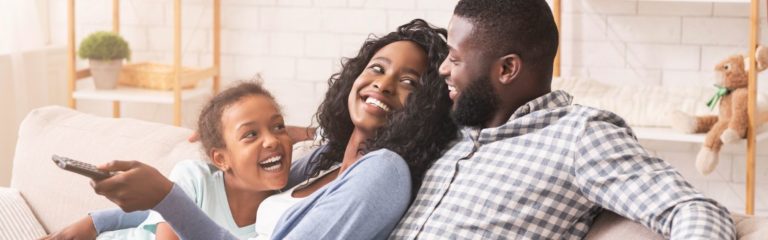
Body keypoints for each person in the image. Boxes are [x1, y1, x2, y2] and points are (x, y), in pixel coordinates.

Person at [66, 19, 457, 240]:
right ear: (355, 75)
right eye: (377, 67)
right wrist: (231, 136)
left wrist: (166, 197)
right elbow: (241, 186)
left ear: (426, 106)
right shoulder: (329, 159)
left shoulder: (384, 172)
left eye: (409, 82)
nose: (384, 84)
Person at [389, 0, 735, 239]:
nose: (443, 69)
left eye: (456, 58)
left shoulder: (580, 136)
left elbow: (695, 210)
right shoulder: (455, 126)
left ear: (507, 68)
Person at [45, 81, 295, 239]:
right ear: (221, 158)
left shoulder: (280, 218)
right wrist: (94, 222)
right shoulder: (194, 178)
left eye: (279, 127)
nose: (272, 141)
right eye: (251, 134)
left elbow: (328, 137)